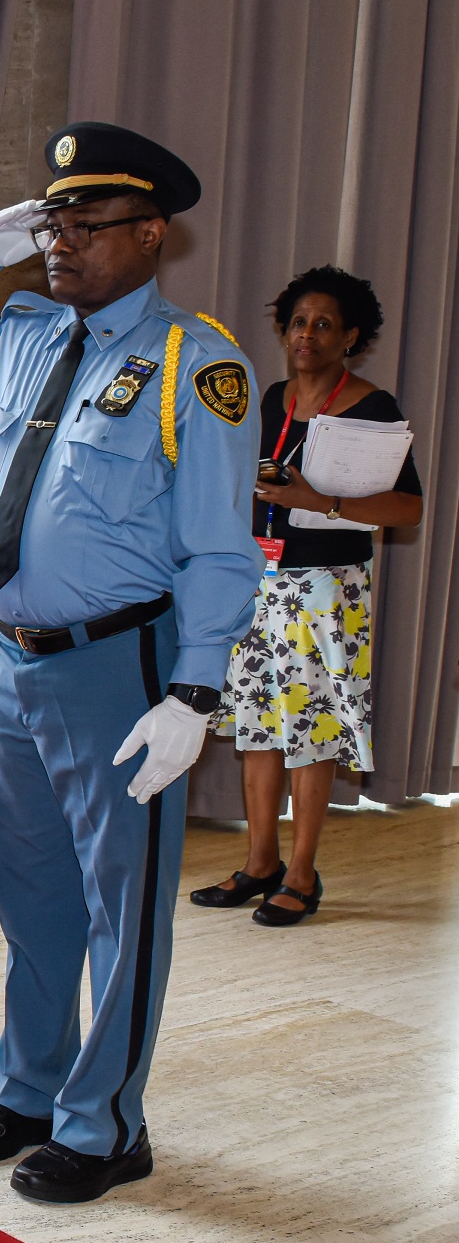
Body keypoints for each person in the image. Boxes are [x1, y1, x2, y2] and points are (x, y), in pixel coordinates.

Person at [0, 122, 263, 1204]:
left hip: (122, 666)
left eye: (86, 225)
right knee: (34, 891)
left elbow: (217, 545)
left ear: (151, 235)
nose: (60, 244)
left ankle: (106, 1125)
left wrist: (194, 689)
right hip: (11, 661)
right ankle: (31, 1084)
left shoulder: (199, 362)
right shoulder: (7, 336)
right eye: (51, 223)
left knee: (123, 906)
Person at [189, 267, 421, 926]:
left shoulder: (374, 407)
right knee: (258, 726)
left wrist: (318, 500)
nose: (306, 334)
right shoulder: (271, 398)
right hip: (261, 582)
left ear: (351, 335)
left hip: (328, 587)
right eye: (297, 322)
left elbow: (409, 508)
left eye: (323, 323)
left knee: (311, 729)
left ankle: (302, 873)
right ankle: (260, 863)